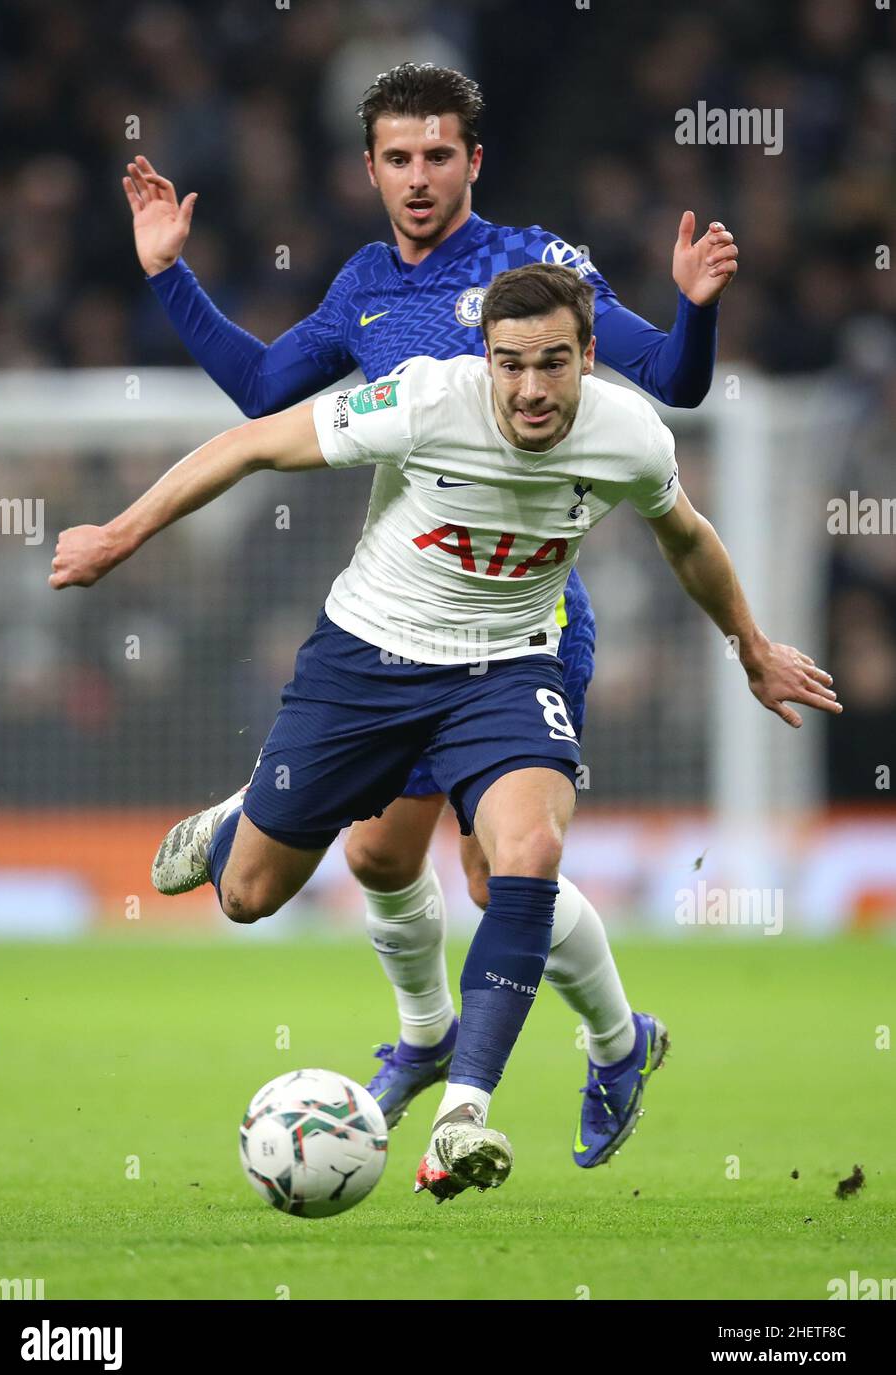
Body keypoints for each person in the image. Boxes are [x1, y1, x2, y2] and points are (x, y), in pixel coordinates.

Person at [50, 263, 839, 1201]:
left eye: (553, 363)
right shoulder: (424, 401)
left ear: (589, 358)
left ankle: (465, 1111)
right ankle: (246, 823)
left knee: (526, 851)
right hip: (368, 662)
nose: (532, 389)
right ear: (485, 361)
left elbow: (688, 538)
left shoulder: (627, 434)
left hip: (507, 668)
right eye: (511, 366)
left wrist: (749, 645)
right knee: (254, 895)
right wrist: (119, 536)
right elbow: (254, 441)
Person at [122, 61, 740, 1158]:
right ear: (368, 168)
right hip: (401, 615)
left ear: (473, 161)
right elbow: (267, 394)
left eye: (438, 155)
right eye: (398, 158)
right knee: (375, 863)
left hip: (522, 612)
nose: (418, 178)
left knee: (504, 869)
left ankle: (610, 1040)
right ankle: (420, 1032)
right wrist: (172, 277)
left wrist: (693, 313)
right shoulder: (365, 281)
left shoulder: (533, 265)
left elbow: (666, 379)